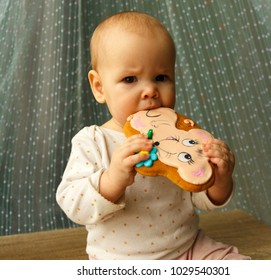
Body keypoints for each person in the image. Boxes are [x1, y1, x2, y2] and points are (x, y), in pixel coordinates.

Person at [56, 11, 250, 260]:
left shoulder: (181, 134)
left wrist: (220, 178)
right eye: (130, 79)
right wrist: (113, 178)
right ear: (100, 87)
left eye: (161, 77)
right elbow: (73, 204)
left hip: (188, 249)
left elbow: (202, 198)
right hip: (118, 258)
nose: (150, 90)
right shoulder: (93, 141)